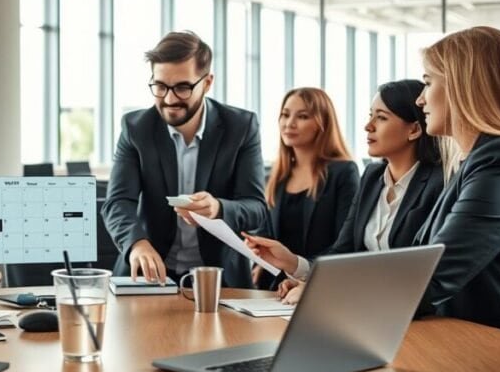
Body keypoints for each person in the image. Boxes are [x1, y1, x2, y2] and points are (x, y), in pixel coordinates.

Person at [248, 27, 500, 348]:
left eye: (428, 82)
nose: (421, 100)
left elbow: (432, 275)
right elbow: (411, 261)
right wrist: (311, 277)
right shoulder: (472, 163)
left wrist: (325, 293)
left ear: (465, 87)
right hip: (454, 336)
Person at [251, 80, 445, 302]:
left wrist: (326, 288)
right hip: (366, 309)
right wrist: (296, 266)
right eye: (370, 115)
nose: (368, 126)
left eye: (381, 117)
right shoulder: (372, 177)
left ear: (414, 129)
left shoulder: (438, 183)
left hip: (411, 311)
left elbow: (418, 272)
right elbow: (343, 252)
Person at [103, 31, 270, 289]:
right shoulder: (136, 128)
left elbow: (256, 208)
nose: (169, 99)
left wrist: (218, 208)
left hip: (220, 280)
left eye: (182, 87)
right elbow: (117, 202)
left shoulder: (241, 127)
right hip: (148, 277)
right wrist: (137, 243)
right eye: (160, 86)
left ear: (207, 82)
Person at [253, 87, 358, 290]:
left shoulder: (343, 172)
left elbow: (345, 244)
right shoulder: (277, 177)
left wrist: (301, 271)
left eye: (302, 116)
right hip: (274, 290)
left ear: (322, 123)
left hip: (321, 286)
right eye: (285, 115)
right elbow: (267, 235)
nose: (289, 123)